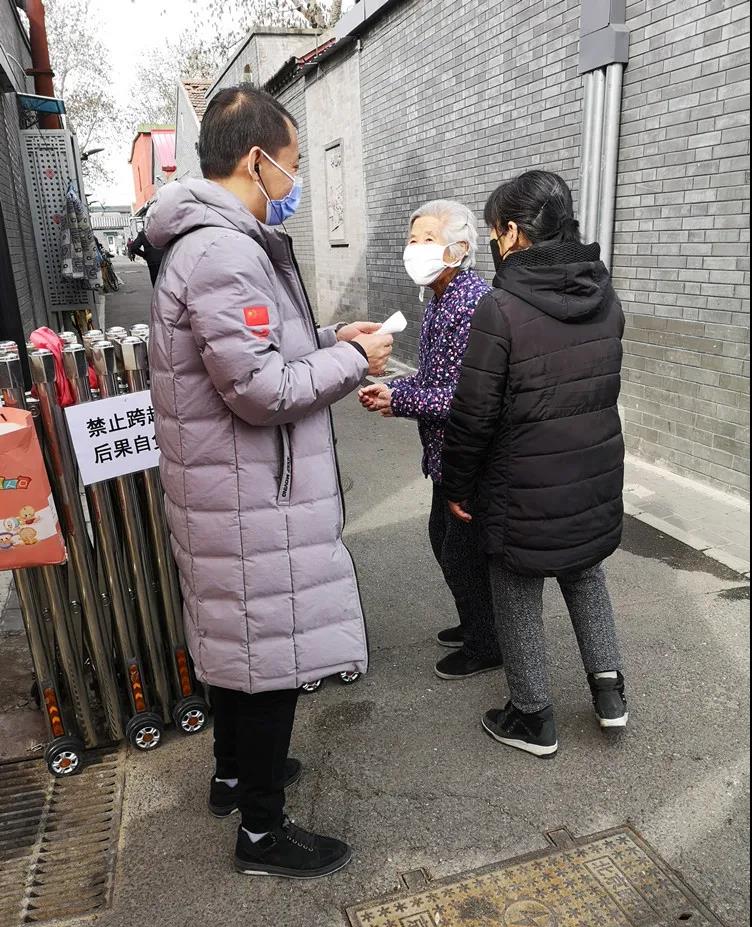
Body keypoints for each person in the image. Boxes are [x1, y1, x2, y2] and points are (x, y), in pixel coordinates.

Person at [146, 84, 393, 878]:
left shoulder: (212, 244)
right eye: (293, 162)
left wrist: (330, 335)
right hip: (250, 494)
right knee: (267, 663)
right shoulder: (225, 252)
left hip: (231, 488)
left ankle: (234, 776)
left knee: (240, 645)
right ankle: (262, 832)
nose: (295, 181)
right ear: (257, 160)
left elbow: (257, 349)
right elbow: (261, 389)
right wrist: (352, 359)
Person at [442, 170, 627, 759]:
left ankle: (531, 716)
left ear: (513, 233)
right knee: (585, 570)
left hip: (522, 480)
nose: (495, 242)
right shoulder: (605, 294)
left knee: (516, 581)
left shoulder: (501, 307)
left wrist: (456, 484)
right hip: (592, 472)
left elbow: (474, 414)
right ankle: (610, 695)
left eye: (495, 231)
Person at [359, 201, 501, 680]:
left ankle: (487, 643)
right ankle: (477, 623)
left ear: (458, 249)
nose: (414, 249)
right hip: (447, 453)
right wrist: (393, 390)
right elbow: (434, 378)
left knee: (460, 552)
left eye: (426, 240)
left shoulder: (472, 303)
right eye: (412, 240)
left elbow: (467, 397)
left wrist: (399, 400)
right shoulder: (441, 298)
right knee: (446, 541)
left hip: (470, 455)